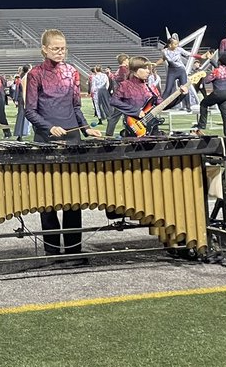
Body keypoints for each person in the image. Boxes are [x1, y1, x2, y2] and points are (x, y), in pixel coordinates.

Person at [24, 30, 103, 255]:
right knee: (47, 196)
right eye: (56, 48)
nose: (61, 52)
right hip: (46, 138)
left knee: (73, 195)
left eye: (63, 48)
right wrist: (48, 127)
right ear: (45, 49)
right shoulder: (35, 74)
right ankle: (51, 249)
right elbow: (29, 110)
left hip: (72, 138)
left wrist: (87, 128)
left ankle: (73, 249)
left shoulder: (72, 72)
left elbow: (76, 107)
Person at [107, 56, 161, 135]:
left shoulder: (149, 86)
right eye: (145, 68)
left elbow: (162, 103)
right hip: (135, 128)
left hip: (152, 127)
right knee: (114, 117)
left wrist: (180, 95)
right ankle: (109, 133)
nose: (148, 71)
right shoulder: (125, 83)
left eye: (148, 68)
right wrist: (135, 111)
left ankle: (109, 132)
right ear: (135, 70)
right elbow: (114, 101)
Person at [196, 51, 226, 137]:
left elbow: (207, 81)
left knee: (203, 104)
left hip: (218, 93)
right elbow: (221, 67)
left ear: (220, 61)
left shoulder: (216, 71)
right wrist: (211, 59)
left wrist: (207, 74)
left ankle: (202, 125)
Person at [160, 37, 194, 112]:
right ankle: (160, 105)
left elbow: (189, 54)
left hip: (181, 70)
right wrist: (155, 64)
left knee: (185, 88)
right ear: (170, 45)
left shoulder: (179, 49)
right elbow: (166, 59)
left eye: (177, 44)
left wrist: (200, 56)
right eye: (175, 44)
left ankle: (188, 106)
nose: (177, 45)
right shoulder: (165, 51)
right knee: (168, 89)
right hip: (172, 71)